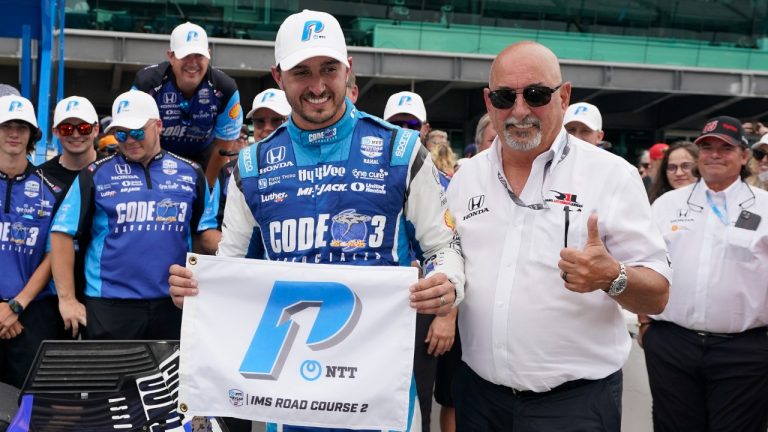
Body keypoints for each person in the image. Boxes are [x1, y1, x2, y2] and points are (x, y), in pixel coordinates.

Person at [168, 9, 465, 432]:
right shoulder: (252, 166)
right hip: (289, 398)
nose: (318, 85)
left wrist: (447, 282)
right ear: (278, 76)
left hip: (381, 392)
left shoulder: (400, 151)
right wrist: (199, 290)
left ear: (348, 69)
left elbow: (443, 246)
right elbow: (231, 269)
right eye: (301, 72)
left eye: (328, 69)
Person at [446, 41, 670, 431]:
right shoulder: (467, 177)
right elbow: (450, 261)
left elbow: (658, 295)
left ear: (563, 97)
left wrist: (611, 277)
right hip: (479, 398)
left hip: (575, 406)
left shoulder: (612, 175)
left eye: (536, 95)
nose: (519, 111)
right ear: (488, 101)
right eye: (504, 97)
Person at [50, 90, 219, 340]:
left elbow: (203, 234)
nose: (129, 140)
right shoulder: (94, 174)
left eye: (138, 132)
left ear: (158, 126)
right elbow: (61, 233)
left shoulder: (192, 172)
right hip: (109, 304)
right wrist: (67, 299)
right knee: (111, 368)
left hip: (173, 301)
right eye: (121, 133)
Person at [646, 116, 768, 432]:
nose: (714, 154)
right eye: (707, 147)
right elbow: (643, 262)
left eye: (725, 148)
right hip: (673, 344)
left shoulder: (764, 207)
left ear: (744, 155)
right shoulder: (667, 205)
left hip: (744, 350)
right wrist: (645, 324)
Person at [0, 95, 65, 388]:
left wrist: (15, 306)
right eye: (6, 126)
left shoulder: (53, 190)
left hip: (31, 311)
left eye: (22, 127)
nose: (14, 133)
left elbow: (55, 256)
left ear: (32, 135)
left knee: (28, 402)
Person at [132, 22, 243, 187]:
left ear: (208, 55)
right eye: (185, 56)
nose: (193, 63)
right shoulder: (146, 83)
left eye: (199, 55)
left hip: (203, 155)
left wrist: (207, 191)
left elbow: (223, 146)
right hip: (155, 154)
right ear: (171, 57)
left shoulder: (225, 89)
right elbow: (132, 135)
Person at [39, 96, 100, 309]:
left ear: (96, 129)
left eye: (83, 128)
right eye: (66, 129)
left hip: (101, 289)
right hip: (50, 290)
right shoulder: (40, 177)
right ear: (55, 132)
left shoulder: (112, 171)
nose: (75, 134)